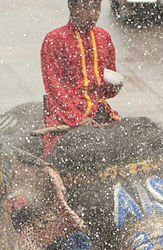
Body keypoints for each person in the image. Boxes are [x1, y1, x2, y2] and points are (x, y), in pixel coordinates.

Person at [40, 0, 122, 156]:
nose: (92, 13)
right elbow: (53, 87)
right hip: (64, 115)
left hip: (99, 113)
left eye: (96, 7)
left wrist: (115, 87)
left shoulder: (104, 37)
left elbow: (106, 91)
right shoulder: (54, 39)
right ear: (72, 7)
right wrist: (78, 119)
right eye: (86, 7)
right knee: (62, 158)